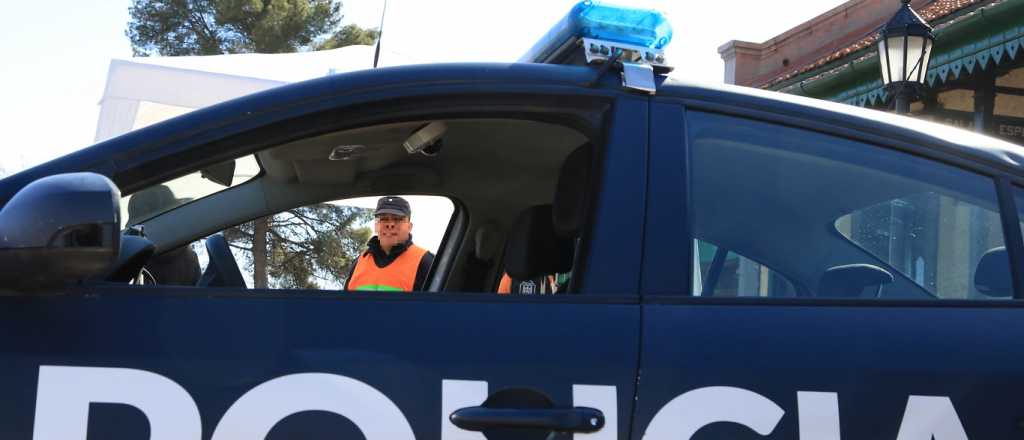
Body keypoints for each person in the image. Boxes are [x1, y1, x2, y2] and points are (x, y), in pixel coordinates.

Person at [344, 196, 434, 292]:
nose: (390, 224)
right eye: (384, 219)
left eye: (397, 219)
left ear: (409, 227)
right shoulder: (358, 263)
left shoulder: (426, 262)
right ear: (376, 225)